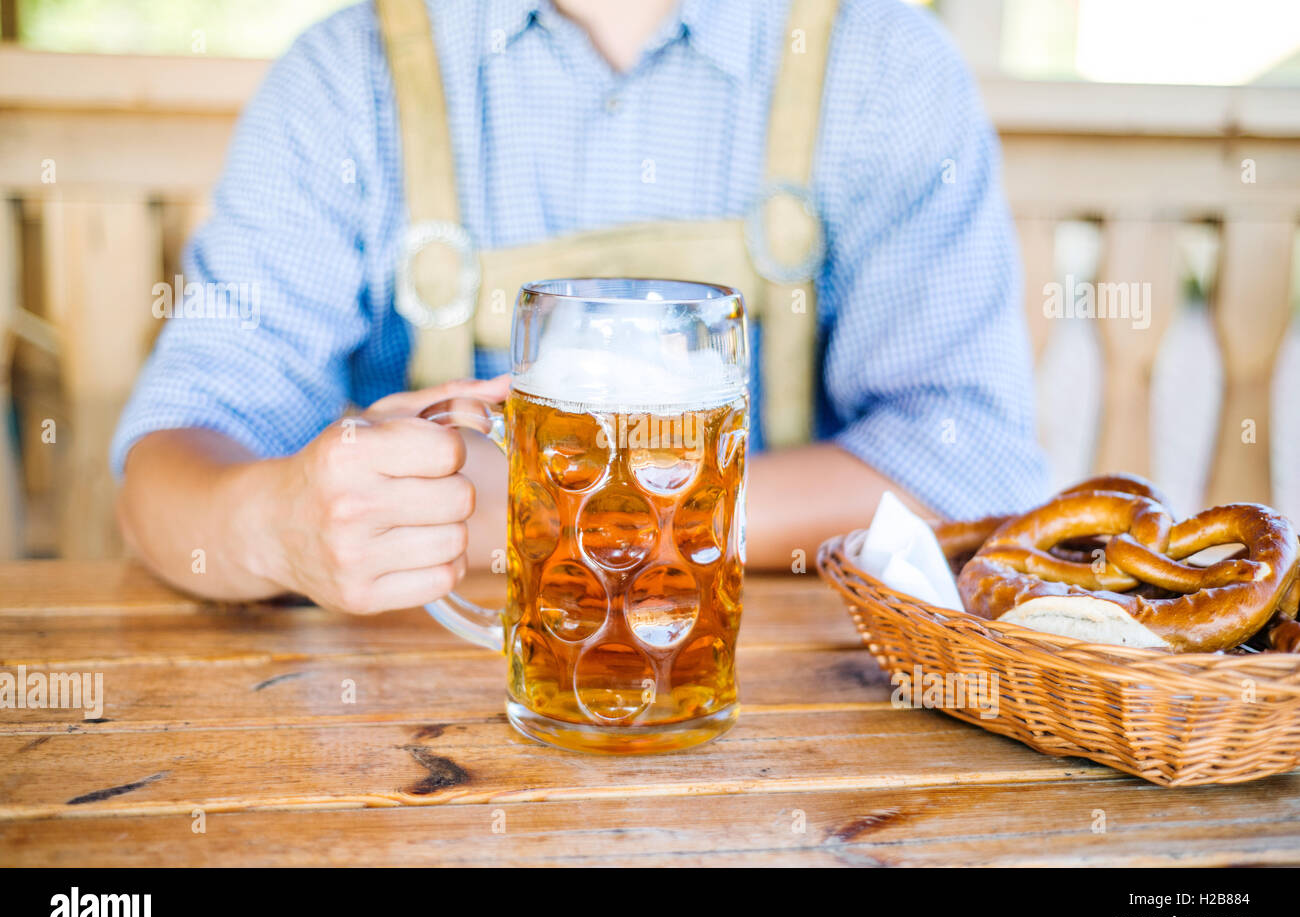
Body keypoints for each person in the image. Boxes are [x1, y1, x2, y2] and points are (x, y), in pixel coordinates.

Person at [112, 0, 1047, 614]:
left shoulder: (885, 66)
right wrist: (274, 525)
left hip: (808, 737)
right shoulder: (343, 80)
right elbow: (162, 474)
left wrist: (539, 515)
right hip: (423, 733)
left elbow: (974, 466)